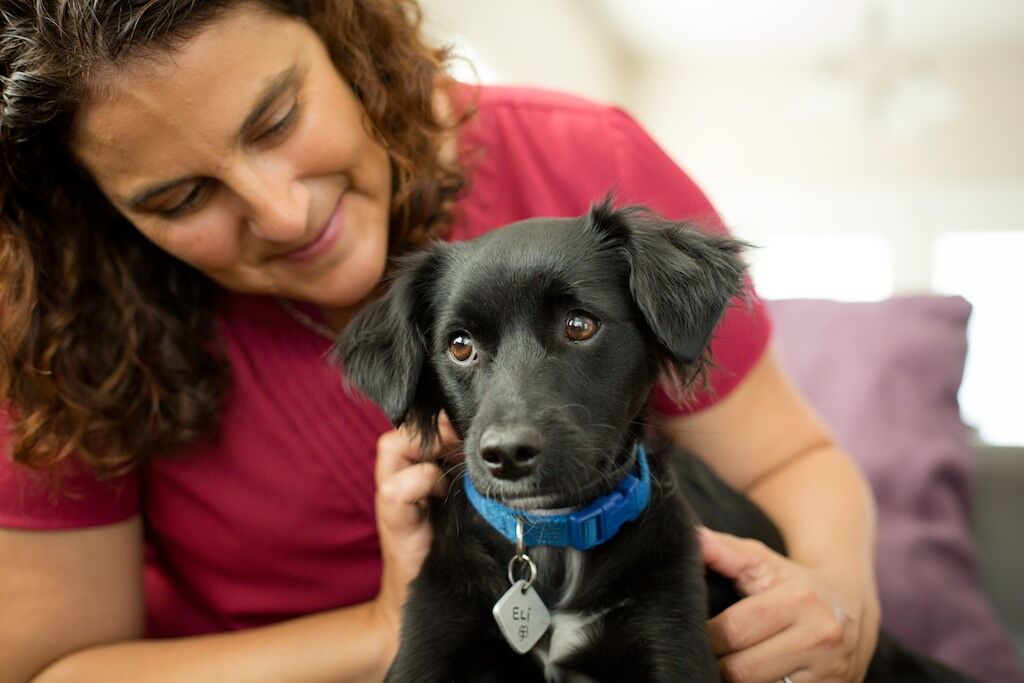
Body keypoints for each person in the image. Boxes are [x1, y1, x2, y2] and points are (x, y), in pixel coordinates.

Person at [0, 2, 880, 682]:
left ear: (341, 38)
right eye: (179, 198)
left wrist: (839, 598)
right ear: (96, 215)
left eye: (275, 120)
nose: (283, 212)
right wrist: (385, 626)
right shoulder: (54, 323)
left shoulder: (577, 157)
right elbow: (48, 670)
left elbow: (790, 458)